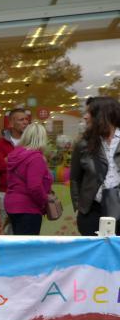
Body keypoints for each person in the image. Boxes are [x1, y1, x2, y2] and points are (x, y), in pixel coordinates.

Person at [70, 96, 120, 236]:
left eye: (89, 113)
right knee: (93, 249)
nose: (85, 117)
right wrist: (78, 207)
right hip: (92, 211)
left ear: (103, 115)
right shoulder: (83, 144)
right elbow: (75, 179)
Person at [5, 122, 52, 235]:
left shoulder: (14, 155)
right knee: (28, 244)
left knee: (18, 241)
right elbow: (35, 187)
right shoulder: (36, 158)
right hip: (28, 207)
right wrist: (44, 201)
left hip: (12, 204)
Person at [0, 108, 29, 231]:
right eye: (21, 120)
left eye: (26, 119)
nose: (25, 122)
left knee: (24, 231)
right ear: (11, 123)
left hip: (26, 193)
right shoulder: (1, 143)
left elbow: (33, 166)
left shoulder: (30, 142)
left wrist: (9, 159)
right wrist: (21, 159)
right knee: (6, 231)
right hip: (6, 192)